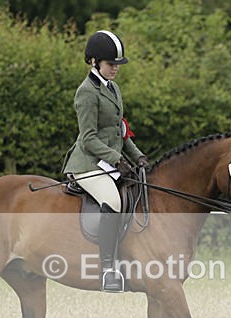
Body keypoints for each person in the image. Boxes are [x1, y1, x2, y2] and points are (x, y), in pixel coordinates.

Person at [62, 30, 148, 293]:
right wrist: (116, 159)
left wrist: (138, 156)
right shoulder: (86, 92)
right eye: (111, 64)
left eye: (118, 64)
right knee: (113, 200)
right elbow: (88, 138)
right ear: (94, 61)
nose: (115, 69)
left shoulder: (113, 88)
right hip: (88, 164)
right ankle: (108, 269)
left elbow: (120, 131)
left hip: (110, 163)